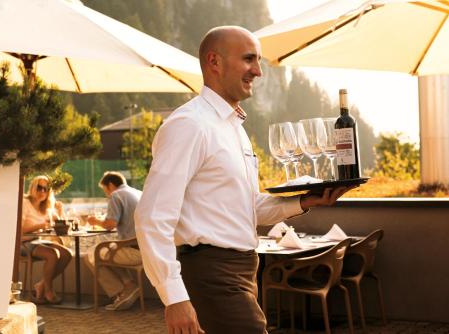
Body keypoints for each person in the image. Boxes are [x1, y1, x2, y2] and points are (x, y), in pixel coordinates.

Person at [134, 26, 353, 334]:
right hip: (211, 272)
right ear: (215, 62)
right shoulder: (189, 125)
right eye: (249, 59)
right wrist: (175, 298)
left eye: (258, 60)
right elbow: (151, 216)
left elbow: (248, 209)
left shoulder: (232, 127)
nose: (258, 71)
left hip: (242, 269)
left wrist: (304, 201)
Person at [84, 171, 143, 311]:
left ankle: (125, 289)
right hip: (147, 249)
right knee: (107, 249)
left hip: (134, 251)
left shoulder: (116, 195)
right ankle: (128, 286)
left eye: (105, 190)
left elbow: (110, 224)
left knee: (92, 254)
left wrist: (95, 221)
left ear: (110, 185)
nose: (106, 194)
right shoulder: (137, 193)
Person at [22, 175, 72, 304]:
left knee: (67, 254)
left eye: (46, 189)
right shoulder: (24, 203)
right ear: (33, 187)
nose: (42, 191)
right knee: (52, 254)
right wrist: (40, 225)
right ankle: (48, 290)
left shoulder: (47, 207)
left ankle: (42, 285)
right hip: (22, 242)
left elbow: (60, 223)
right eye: (39, 187)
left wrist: (61, 211)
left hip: (37, 241)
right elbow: (19, 230)